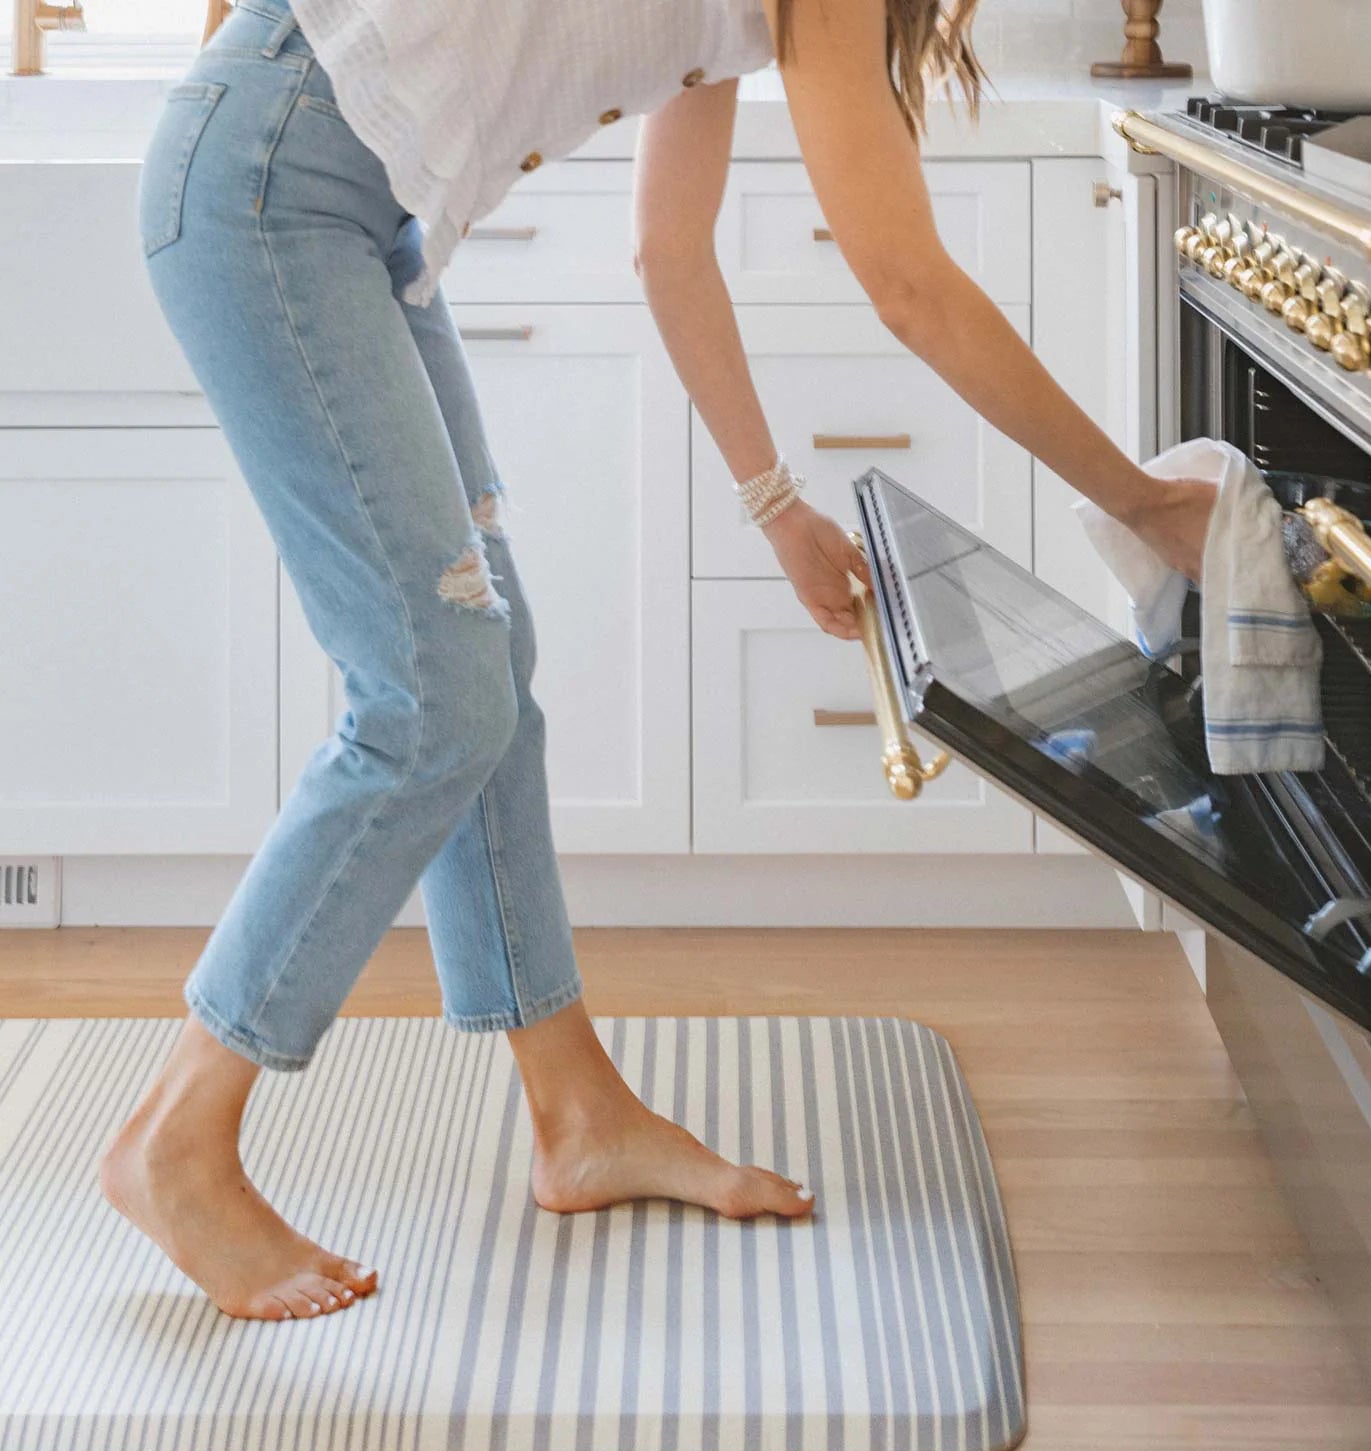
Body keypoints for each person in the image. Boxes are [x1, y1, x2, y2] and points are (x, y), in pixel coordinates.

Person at [100, 0, 1215, 1321]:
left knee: (483, 675)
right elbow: (906, 283)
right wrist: (1140, 503)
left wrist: (774, 506)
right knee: (430, 696)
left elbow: (669, 250)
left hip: (348, 213)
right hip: (272, 184)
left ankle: (579, 1118)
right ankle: (174, 1136)